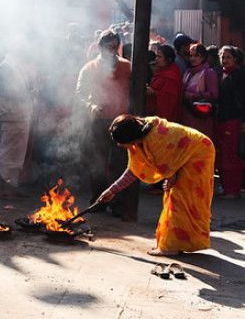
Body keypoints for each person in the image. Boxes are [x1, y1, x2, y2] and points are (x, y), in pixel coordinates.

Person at [97, 115, 214, 256]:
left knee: (182, 198)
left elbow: (170, 173)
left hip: (199, 152)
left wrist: (170, 179)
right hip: (187, 153)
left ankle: (172, 247)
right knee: (175, 197)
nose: (119, 145)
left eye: (121, 142)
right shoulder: (139, 135)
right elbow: (134, 171)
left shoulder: (155, 141)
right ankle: (178, 243)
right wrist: (112, 190)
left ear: (131, 139)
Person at [75, 30, 134, 218]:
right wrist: (90, 105)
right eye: (108, 46)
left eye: (115, 46)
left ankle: (118, 203)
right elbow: (80, 94)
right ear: (100, 47)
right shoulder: (89, 68)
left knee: (120, 163)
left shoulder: (127, 67)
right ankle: (99, 200)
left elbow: (136, 90)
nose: (112, 50)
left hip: (122, 122)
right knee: (97, 163)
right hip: (99, 121)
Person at [0, 53, 35, 193]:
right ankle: (7, 189)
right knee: (7, 155)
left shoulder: (15, 64)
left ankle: (12, 186)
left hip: (18, 116)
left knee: (15, 155)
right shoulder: (7, 66)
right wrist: (21, 94)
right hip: (12, 115)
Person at [215, 46, 245, 199]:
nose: (224, 60)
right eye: (223, 57)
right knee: (223, 154)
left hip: (234, 119)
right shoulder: (221, 74)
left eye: (228, 57)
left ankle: (233, 190)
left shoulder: (239, 75)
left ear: (235, 59)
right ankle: (227, 187)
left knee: (232, 155)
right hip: (222, 118)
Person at [181, 43, 218, 141]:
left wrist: (194, 96)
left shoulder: (209, 73)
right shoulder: (188, 72)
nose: (193, 58)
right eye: (191, 55)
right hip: (187, 115)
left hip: (200, 117)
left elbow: (214, 94)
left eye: (197, 56)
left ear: (203, 57)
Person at [146, 44, 182, 122]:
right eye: (156, 56)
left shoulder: (171, 75)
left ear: (168, 59)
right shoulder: (161, 71)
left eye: (160, 57)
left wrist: (154, 93)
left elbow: (171, 99)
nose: (156, 59)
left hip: (165, 118)